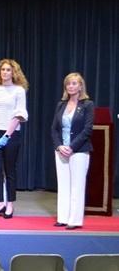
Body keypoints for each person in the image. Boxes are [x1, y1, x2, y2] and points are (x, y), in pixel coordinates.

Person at [0, 59, 28, 219]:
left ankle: (10, 204)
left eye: (8, 70)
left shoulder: (19, 91)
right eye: (2, 70)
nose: (5, 72)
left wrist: (7, 136)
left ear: (14, 72)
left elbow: (19, 114)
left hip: (12, 135)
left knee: (10, 170)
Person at [51, 72, 94, 230]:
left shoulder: (88, 105)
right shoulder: (60, 105)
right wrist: (59, 146)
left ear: (80, 86)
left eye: (74, 83)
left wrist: (72, 147)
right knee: (63, 185)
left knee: (77, 186)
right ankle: (62, 217)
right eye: (68, 83)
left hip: (79, 151)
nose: (71, 86)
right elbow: (54, 129)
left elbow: (87, 129)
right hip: (61, 151)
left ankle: (74, 220)